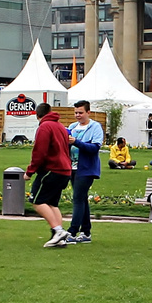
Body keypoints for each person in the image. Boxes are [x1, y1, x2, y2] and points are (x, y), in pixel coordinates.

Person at [25, 101, 73, 247]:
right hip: (65, 169)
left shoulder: (45, 127)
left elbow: (40, 151)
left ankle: (58, 230)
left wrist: (30, 171)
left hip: (51, 169)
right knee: (52, 203)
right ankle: (60, 237)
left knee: (37, 200)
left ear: (37, 115)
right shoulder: (60, 126)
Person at [65, 99, 104, 244]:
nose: (77, 115)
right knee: (81, 199)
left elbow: (94, 148)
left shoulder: (95, 127)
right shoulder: (73, 127)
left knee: (77, 198)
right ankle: (86, 232)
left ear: (88, 112)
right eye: (75, 112)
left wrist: (76, 142)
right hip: (72, 167)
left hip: (87, 169)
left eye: (80, 112)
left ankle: (72, 231)